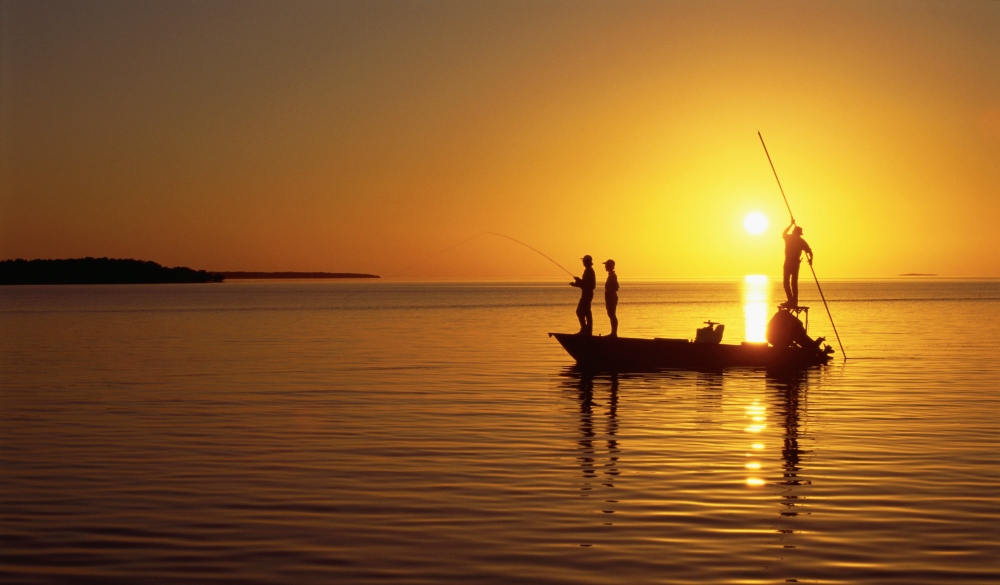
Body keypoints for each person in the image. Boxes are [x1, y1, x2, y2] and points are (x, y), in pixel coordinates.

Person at [782, 221, 813, 308]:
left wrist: (791, 224)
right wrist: (811, 260)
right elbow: (810, 251)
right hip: (792, 262)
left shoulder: (791, 238)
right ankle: (792, 301)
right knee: (791, 283)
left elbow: (784, 233)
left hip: (791, 262)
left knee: (789, 283)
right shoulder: (799, 240)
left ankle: (792, 301)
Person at [570, 255, 596, 335]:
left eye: (584, 261)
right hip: (587, 293)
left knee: (579, 311)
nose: (583, 262)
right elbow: (586, 283)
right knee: (587, 312)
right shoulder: (589, 270)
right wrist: (579, 280)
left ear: (587, 262)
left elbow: (586, 284)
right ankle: (588, 330)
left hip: (587, 294)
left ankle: (585, 329)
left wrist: (575, 284)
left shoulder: (588, 271)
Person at [603, 259, 619, 337]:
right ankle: (613, 333)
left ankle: (614, 333)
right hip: (610, 297)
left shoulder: (612, 276)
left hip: (611, 297)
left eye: (606, 265)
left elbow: (616, 287)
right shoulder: (611, 275)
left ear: (610, 266)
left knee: (612, 314)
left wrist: (609, 291)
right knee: (611, 314)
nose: (605, 266)